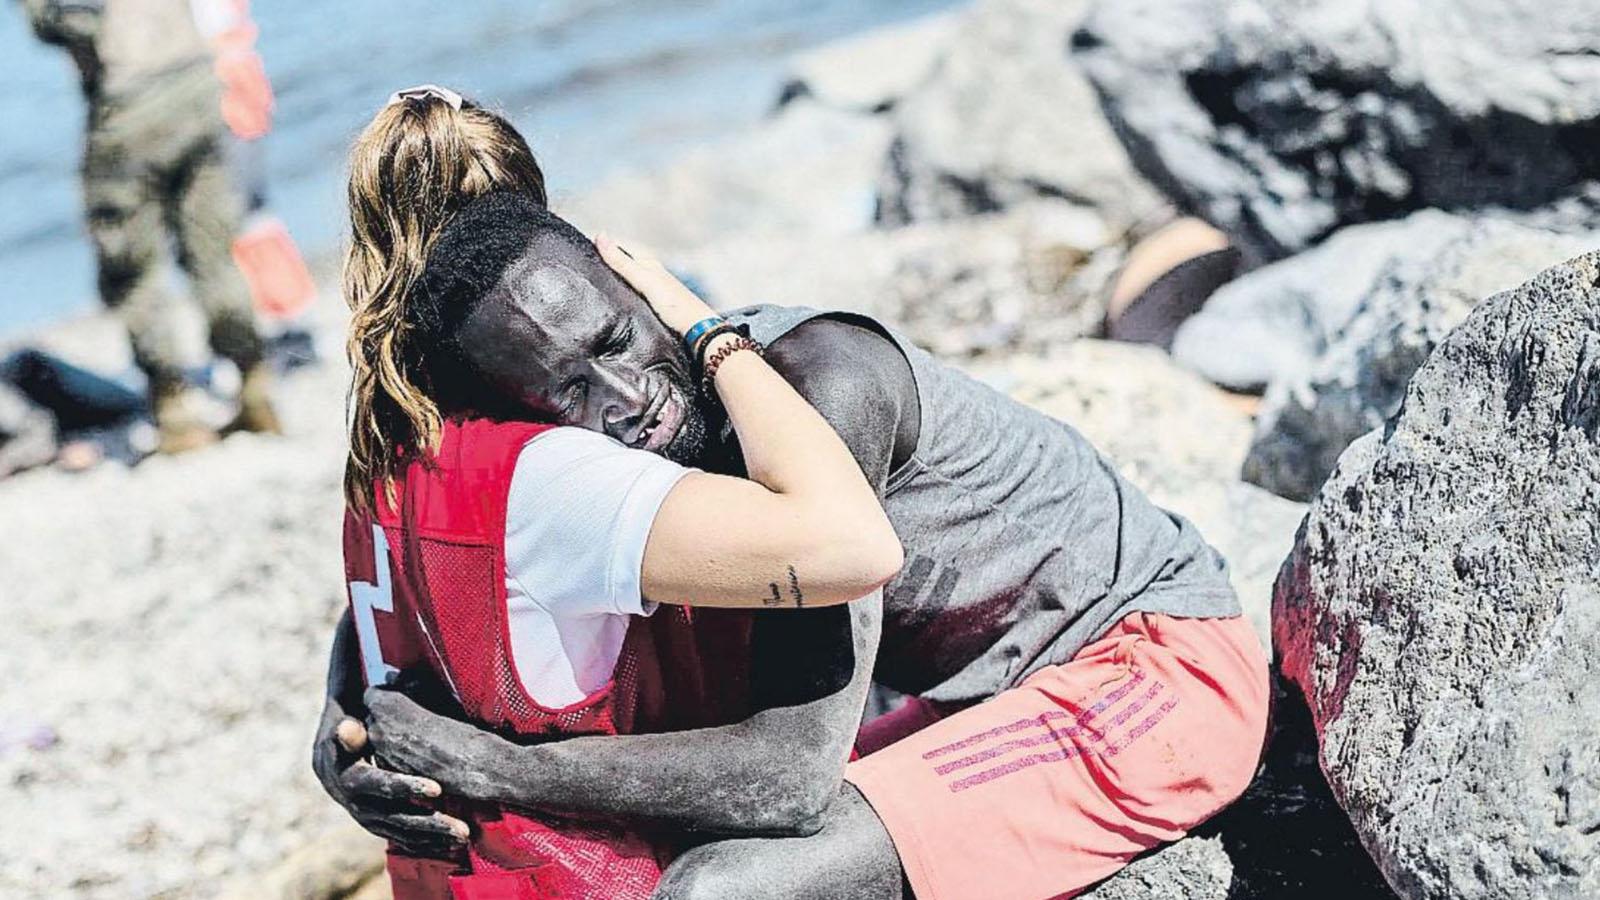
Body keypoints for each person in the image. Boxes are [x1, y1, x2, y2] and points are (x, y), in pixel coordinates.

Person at [315, 89, 1271, 900]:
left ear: (637, 284)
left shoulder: (821, 384)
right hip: (988, 693)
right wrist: (350, 720)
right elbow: (430, 554)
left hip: (1146, 674)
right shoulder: (600, 427)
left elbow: (789, 780)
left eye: (616, 345)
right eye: (569, 396)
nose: (625, 405)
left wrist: (506, 771)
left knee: (716, 887)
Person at [331, 87, 900, 899]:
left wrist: (346, 715)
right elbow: (852, 550)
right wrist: (709, 334)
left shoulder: (389, 451)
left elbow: (390, 607)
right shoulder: (551, 474)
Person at [22, 0, 281, 453]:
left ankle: (174, 407)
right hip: (195, 82)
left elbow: (62, 19)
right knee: (212, 250)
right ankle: (253, 379)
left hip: (129, 101)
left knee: (130, 266)